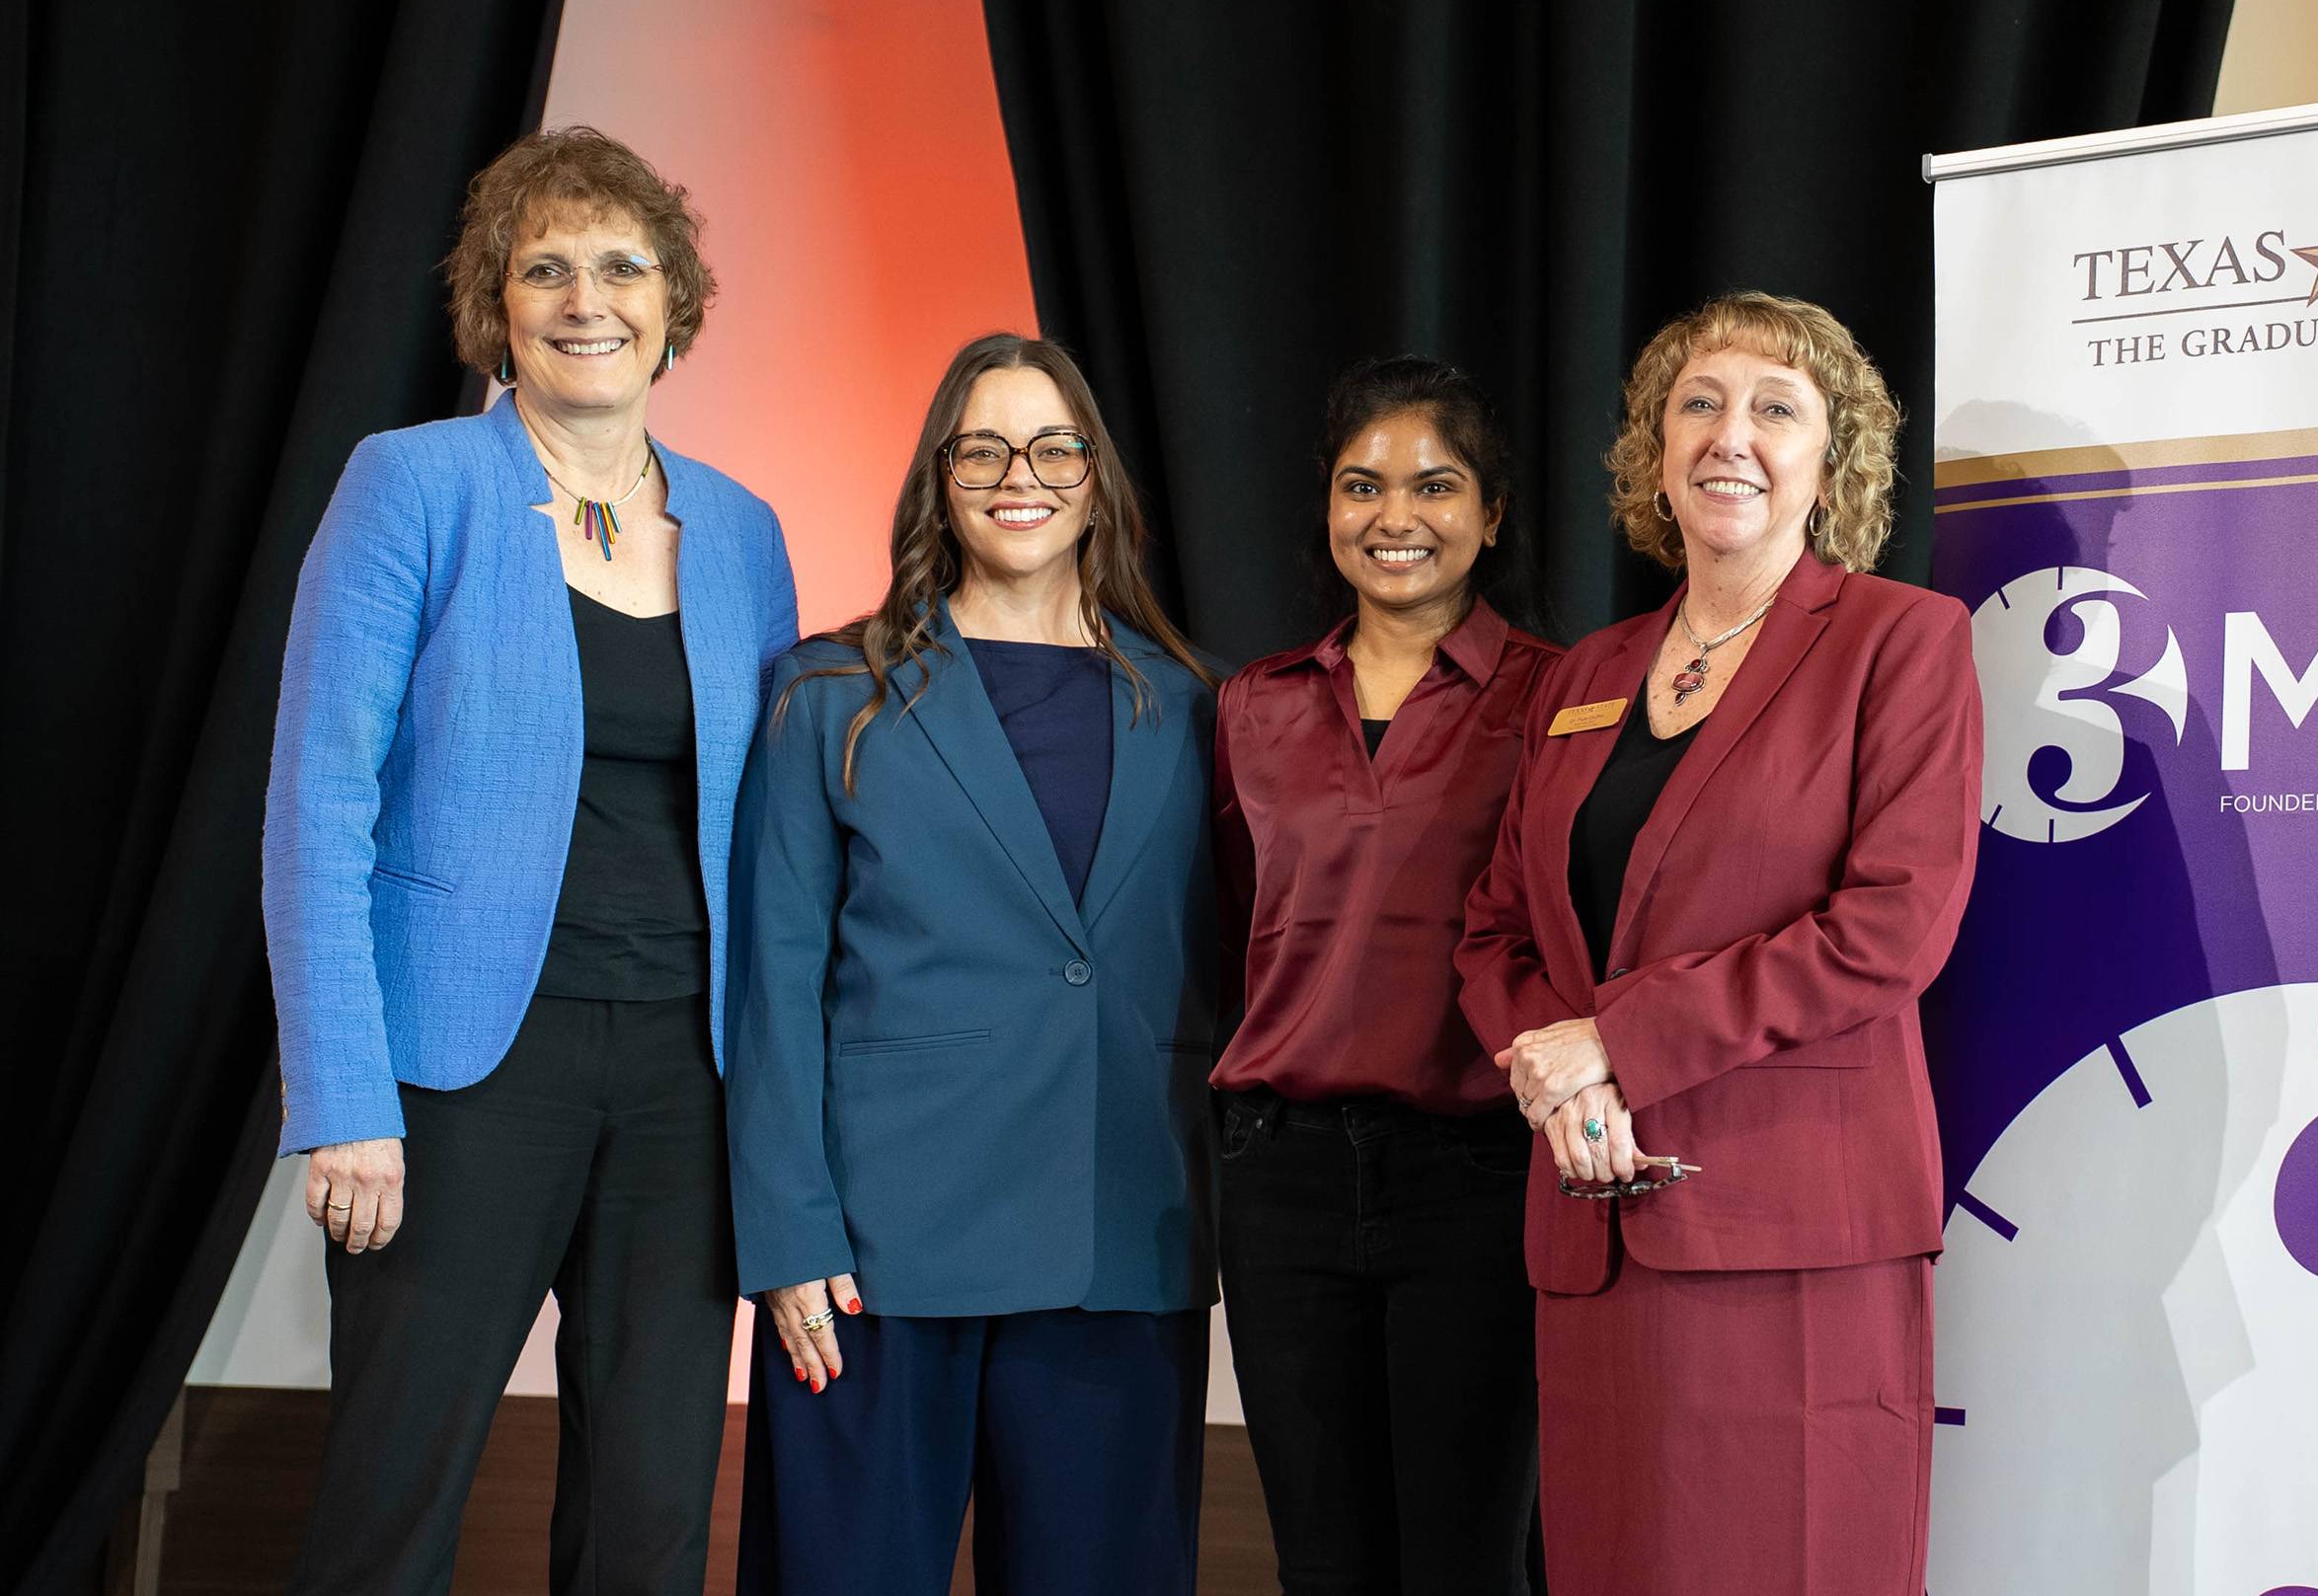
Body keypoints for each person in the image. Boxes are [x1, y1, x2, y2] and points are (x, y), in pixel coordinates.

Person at [262, 126, 799, 1594]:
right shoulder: (411, 484)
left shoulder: (744, 535)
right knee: (395, 1502)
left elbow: (779, 836)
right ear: (495, 307)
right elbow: (317, 801)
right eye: (543, 267)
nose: (585, 298)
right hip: (457, 1077)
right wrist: (345, 1095)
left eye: (622, 266)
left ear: (673, 305)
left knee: (649, 1522)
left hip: (687, 1086)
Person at [1455, 292, 1983, 1596]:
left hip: (1792, 1229)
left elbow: (1889, 931)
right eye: (1698, 402)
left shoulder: (1901, 641)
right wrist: (1559, 1077)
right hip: (1599, 1217)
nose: (1729, 434)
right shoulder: (1586, 676)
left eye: (1775, 407)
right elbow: (1493, 928)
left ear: (1832, 455)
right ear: (1653, 447)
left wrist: (1616, 1047)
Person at [727, 333, 1221, 1595]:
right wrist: (785, 1234)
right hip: (873, 1263)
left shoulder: (1189, 704)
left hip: (1116, 1239)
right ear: (939, 476)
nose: (1022, 474)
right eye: (985, 446)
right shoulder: (829, 695)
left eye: (1055, 445)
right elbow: (772, 983)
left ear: (1096, 476)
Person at [1210, 357, 1562, 1593]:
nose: (1394, 515)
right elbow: (1220, 932)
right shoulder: (1251, 704)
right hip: (1280, 1176)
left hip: (1472, 1175)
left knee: (1468, 1561)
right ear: (1325, 505)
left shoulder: (1558, 698)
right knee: (1322, 1559)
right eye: (1362, 484)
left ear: (1492, 513)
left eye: (1434, 484)